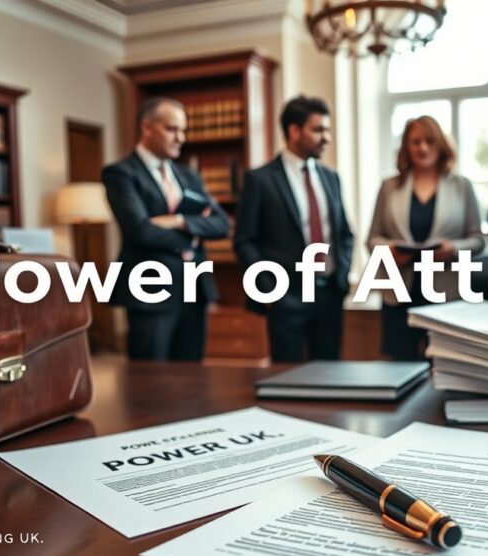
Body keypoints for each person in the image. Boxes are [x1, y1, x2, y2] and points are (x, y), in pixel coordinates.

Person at [102, 96, 230, 361]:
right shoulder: (121, 173)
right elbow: (141, 231)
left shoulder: (188, 175)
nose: (180, 138)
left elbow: (222, 224)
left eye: (183, 130)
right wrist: (195, 233)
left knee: (193, 381)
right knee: (151, 383)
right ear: (147, 127)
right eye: (172, 129)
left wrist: (180, 221)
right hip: (150, 289)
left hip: (194, 287)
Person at [234, 95, 354, 362]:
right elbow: (244, 241)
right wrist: (268, 289)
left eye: (328, 129)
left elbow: (345, 233)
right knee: (287, 378)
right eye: (318, 129)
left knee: (330, 373)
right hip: (286, 297)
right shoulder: (260, 180)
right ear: (294, 130)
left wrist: (342, 278)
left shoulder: (331, 177)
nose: (327, 137)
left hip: (329, 295)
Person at [367, 116, 484, 360]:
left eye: (429, 141)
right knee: (400, 366)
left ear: (441, 145)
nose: (423, 148)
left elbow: (478, 239)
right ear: (406, 148)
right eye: (415, 142)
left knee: (447, 364)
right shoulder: (389, 187)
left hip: (446, 292)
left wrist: (452, 249)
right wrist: (388, 250)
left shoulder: (461, 186)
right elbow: (373, 237)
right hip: (399, 293)